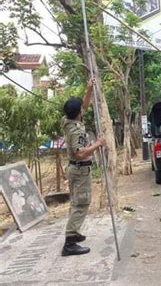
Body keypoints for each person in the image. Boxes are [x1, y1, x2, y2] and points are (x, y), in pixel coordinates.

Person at [62, 78, 106, 256]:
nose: (84, 109)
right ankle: (69, 242)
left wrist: (88, 89)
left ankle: (74, 233)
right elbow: (80, 152)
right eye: (81, 108)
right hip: (80, 169)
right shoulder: (76, 131)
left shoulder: (67, 120)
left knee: (76, 202)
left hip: (76, 169)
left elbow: (84, 106)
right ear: (78, 112)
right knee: (81, 204)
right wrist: (98, 144)